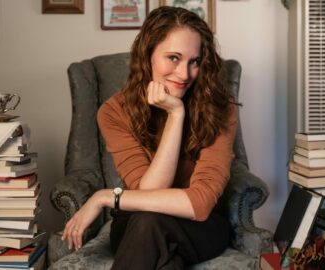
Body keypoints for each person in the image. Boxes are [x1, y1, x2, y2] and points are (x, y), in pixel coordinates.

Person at [61, 6, 239, 269]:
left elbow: (200, 204)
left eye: (195, 61)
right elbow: (151, 193)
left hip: (200, 226)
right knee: (153, 232)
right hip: (136, 223)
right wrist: (175, 118)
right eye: (174, 58)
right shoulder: (114, 112)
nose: (185, 74)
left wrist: (104, 196)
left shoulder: (221, 109)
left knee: (151, 228)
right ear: (148, 56)